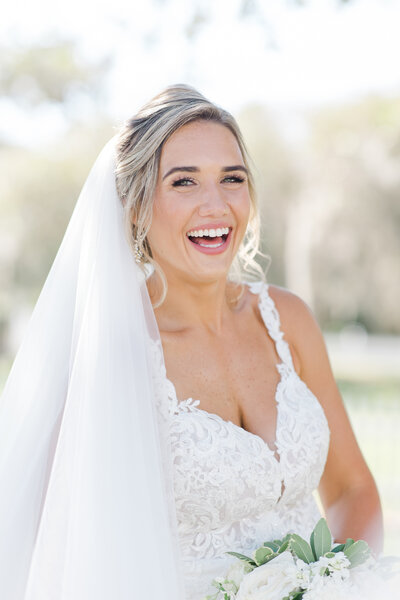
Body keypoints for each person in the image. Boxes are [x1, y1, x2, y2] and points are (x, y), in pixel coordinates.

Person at [0, 84, 382, 600]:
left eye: (233, 178)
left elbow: (352, 490)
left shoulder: (288, 320)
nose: (216, 204)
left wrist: (334, 583)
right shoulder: (110, 355)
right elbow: (68, 556)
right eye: (184, 182)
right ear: (134, 207)